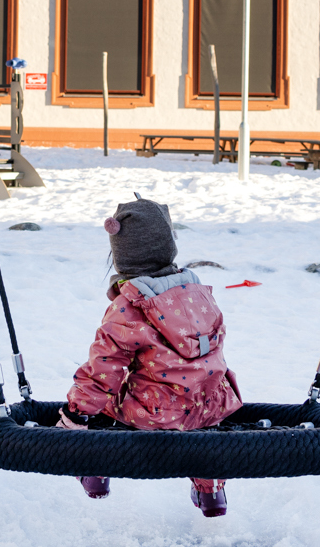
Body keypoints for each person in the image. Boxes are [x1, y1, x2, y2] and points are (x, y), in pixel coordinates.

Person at [60, 197, 243, 517]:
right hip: (210, 405)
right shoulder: (199, 292)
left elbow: (103, 369)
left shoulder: (130, 307)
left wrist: (75, 414)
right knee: (201, 414)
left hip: (155, 414)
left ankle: (94, 469)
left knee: (104, 397)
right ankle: (211, 490)